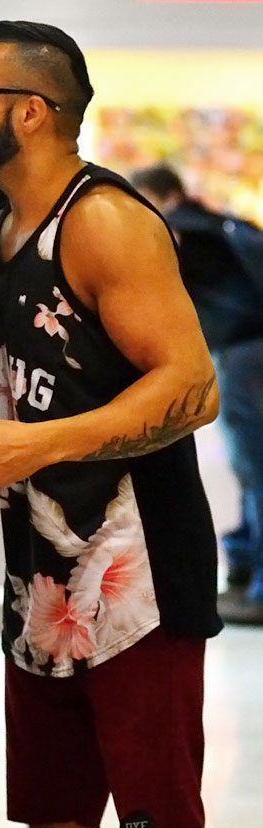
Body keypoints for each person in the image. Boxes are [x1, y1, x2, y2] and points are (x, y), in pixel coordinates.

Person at [0, 20, 222, 828]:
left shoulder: (104, 222)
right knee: (54, 818)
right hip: (41, 576)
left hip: (141, 579)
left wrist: (38, 442)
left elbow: (194, 389)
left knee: (155, 817)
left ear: (30, 112)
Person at [131, 163, 263, 625]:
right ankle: (248, 575)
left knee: (254, 469)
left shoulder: (177, 229)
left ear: (157, 194)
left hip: (244, 354)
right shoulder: (215, 221)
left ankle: (257, 585)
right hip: (249, 350)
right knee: (253, 468)